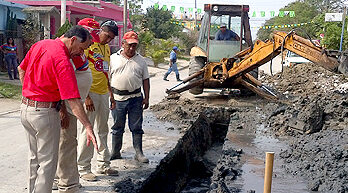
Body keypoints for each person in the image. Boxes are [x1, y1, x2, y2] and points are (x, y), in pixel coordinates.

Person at [18, 26, 98, 193]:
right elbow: (73, 100)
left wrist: (28, 94)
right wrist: (88, 126)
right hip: (44, 114)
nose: (79, 53)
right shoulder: (62, 60)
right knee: (47, 163)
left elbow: (21, 69)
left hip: (26, 109)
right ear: (73, 39)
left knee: (34, 159)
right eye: (81, 49)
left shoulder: (41, 44)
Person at [54, 18, 99, 192]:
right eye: (90, 37)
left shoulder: (78, 52)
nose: (91, 42)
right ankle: (65, 183)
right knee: (65, 145)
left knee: (68, 145)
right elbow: (61, 84)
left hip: (75, 104)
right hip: (68, 106)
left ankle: (67, 180)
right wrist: (63, 110)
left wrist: (86, 95)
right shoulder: (67, 54)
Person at [77, 20, 119, 181]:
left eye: (111, 38)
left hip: (103, 93)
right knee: (87, 132)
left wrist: (111, 94)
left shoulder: (106, 48)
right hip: (90, 94)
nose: (108, 40)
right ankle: (83, 168)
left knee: (103, 130)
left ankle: (103, 164)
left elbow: (105, 72)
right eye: (107, 36)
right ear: (100, 30)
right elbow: (81, 72)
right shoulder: (88, 45)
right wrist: (86, 96)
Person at [109, 31, 150, 163]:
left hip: (135, 98)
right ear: (123, 44)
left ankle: (138, 153)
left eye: (134, 46)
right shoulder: (113, 59)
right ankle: (115, 152)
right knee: (117, 127)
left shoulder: (141, 61)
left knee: (136, 126)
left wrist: (147, 98)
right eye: (129, 45)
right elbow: (107, 79)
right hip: (117, 99)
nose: (132, 48)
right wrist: (110, 96)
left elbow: (146, 80)